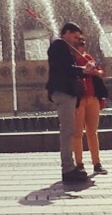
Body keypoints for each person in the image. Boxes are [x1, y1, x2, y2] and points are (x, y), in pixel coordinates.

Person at [46, 22, 88, 185]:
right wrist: (82, 70)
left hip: (66, 91)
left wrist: (82, 70)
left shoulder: (63, 46)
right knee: (67, 130)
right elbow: (64, 68)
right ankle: (68, 169)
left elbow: (67, 68)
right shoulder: (58, 45)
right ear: (67, 33)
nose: (77, 40)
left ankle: (69, 167)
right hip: (62, 91)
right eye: (75, 36)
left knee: (70, 129)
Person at [73, 34, 108, 175]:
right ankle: (79, 163)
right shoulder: (72, 59)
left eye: (82, 44)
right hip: (79, 99)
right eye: (78, 45)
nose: (81, 47)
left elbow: (101, 72)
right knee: (77, 134)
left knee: (92, 132)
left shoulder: (89, 58)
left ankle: (96, 163)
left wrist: (95, 72)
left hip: (93, 98)